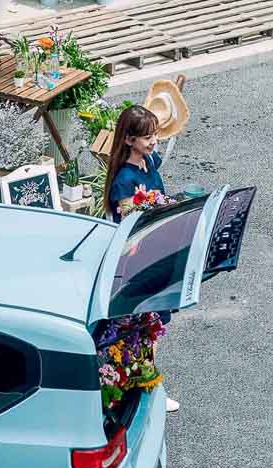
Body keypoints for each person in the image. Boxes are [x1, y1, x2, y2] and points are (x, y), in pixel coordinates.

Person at [104, 104, 181, 413]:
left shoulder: (149, 160)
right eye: (147, 137)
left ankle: (145, 388)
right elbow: (130, 226)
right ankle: (147, 392)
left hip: (156, 254)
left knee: (152, 327)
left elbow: (161, 149)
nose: (153, 142)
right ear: (128, 140)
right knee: (147, 329)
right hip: (139, 262)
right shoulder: (124, 180)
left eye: (154, 135)